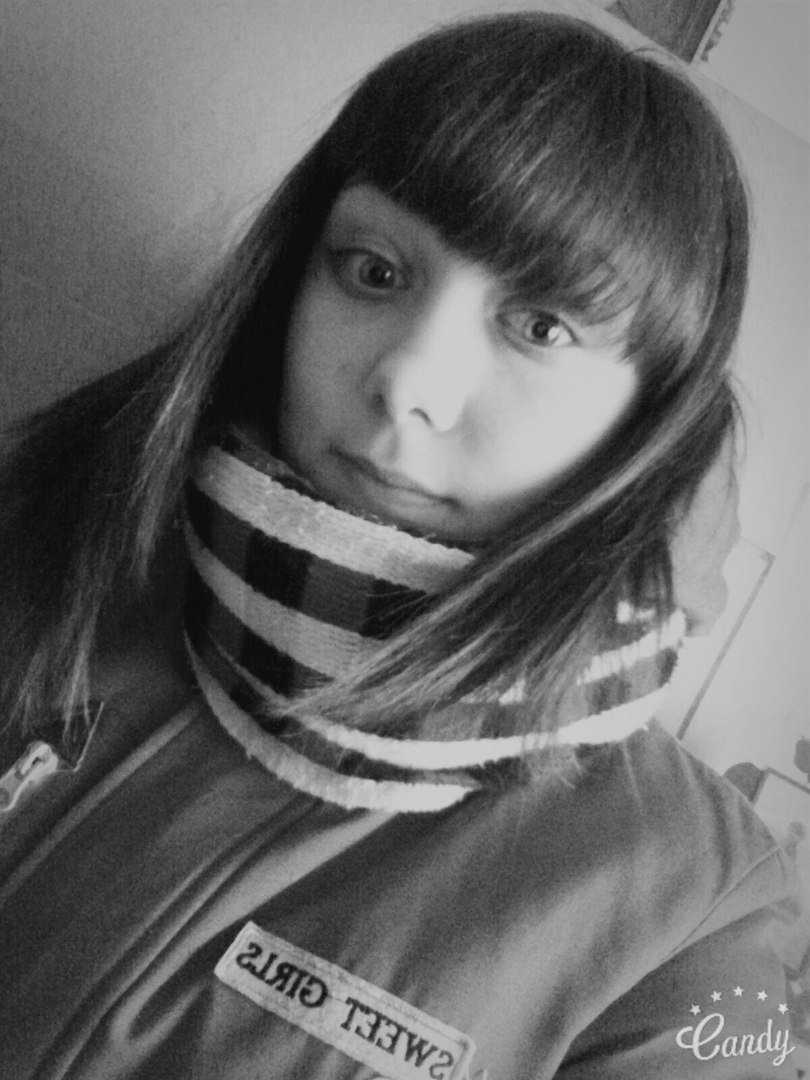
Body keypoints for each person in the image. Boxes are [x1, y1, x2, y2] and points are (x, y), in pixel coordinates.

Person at [0, 11, 799, 1079]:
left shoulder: (695, 908)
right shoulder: (52, 547)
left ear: (647, 417)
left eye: (542, 325)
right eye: (373, 271)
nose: (409, 381)